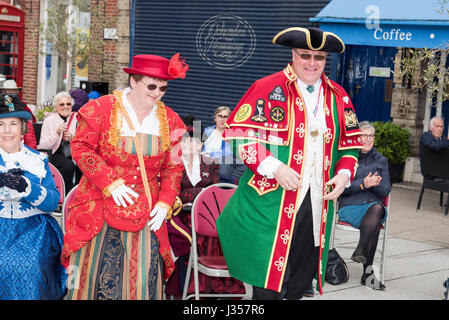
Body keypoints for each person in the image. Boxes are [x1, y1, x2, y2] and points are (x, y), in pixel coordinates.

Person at [216, 27, 363, 300]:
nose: (311, 62)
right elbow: (237, 135)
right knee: (268, 279)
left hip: (318, 199)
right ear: (293, 55)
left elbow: (350, 144)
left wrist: (343, 174)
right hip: (271, 202)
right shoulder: (267, 87)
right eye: (304, 54)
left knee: (302, 275)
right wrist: (274, 167)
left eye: (319, 57)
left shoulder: (338, 95)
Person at [61, 53, 189, 300]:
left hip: (147, 212)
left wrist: (165, 201)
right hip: (99, 206)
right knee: (91, 277)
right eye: (151, 85)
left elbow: (173, 167)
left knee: (142, 279)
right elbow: (81, 147)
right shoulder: (102, 108)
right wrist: (109, 181)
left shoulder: (170, 120)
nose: (157, 93)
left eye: (163, 87)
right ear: (133, 81)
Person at [0, 94, 67, 299]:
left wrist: (27, 188)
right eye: (1, 124)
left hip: (34, 231)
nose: (7, 130)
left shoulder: (37, 161)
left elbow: (52, 202)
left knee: (30, 267)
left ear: (23, 128)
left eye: (13, 124)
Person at [337, 121, 391, 290]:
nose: (368, 139)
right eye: (364, 135)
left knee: (377, 209)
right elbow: (340, 190)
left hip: (372, 208)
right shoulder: (348, 158)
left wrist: (376, 184)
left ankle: (361, 249)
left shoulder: (381, 160)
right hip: (350, 207)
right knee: (374, 222)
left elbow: (385, 191)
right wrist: (363, 184)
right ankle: (367, 274)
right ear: (357, 137)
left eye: (371, 135)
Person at [37, 91, 80, 193]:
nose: (65, 107)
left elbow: (83, 141)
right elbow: (43, 145)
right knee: (68, 165)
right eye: (62, 104)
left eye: (68, 104)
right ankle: (64, 195)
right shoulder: (49, 121)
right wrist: (56, 134)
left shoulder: (77, 119)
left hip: (73, 153)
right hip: (53, 154)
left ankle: (77, 195)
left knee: (82, 165)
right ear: (56, 107)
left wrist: (72, 138)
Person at [203, 106, 246, 183]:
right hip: (204, 163)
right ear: (215, 118)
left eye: (225, 117)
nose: (222, 119)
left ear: (229, 120)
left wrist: (211, 155)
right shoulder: (207, 131)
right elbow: (200, 147)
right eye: (220, 116)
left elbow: (228, 154)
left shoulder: (231, 135)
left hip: (221, 165)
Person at [1, 79, 37, 149]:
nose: (11, 93)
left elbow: (31, 123)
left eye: (14, 90)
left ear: (17, 92)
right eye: (9, 90)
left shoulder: (22, 106)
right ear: (4, 91)